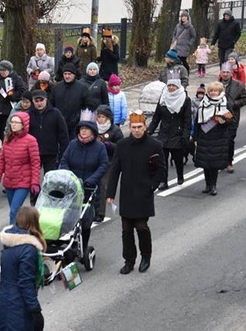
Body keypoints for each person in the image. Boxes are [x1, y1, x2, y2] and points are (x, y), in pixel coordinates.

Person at [106, 112, 166, 275]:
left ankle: (145, 256)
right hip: (127, 193)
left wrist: (151, 186)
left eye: (140, 127)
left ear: (145, 127)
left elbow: (161, 169)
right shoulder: (122, 145)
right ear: (130, 128)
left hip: (144, 193)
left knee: (141, 227)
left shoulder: (154, 145)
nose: (137, 130)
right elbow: (115, 170)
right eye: (134, 127)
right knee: (126, 229)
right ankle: (129, 260)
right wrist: (110, 193)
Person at [59, 117, 109, 253]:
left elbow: (103, 165)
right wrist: (68, 176)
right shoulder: (73, 144)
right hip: (72, 187)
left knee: (85, 218)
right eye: (82, 129)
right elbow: (64, 161)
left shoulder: (99, 147)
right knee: (68, 216)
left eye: (86, 129)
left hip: (89, 187)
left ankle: (84, 245)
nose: (84, 131)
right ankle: (68, 242)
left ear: (92, 131)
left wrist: (92, 179)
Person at [0, 112, 41, 224]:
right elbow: (2, 160)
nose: (13, 125)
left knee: (14, 211)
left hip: (23, 182)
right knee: (15, 211)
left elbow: (35, 162)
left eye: (16, 122)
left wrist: (35, 182)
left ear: (23, 125)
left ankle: (12, 236)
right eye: (12, 122)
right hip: (9, 181)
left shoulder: (31, 140)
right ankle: (23, 229)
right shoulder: (7, 139)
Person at [147, 78, 192, 189]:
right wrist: (149, 131)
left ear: (178, 87)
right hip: (164, 133)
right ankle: (163, 181)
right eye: (169, 86)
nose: (171, 88)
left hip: (177, 132)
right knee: (162, 159)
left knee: (177, 157)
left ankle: (180, 175)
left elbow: (187, 119)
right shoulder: (163, 99)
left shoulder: (185, 100)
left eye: (174, 86)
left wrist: (186, 135)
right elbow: (156, 117)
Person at [195, 81, 234, 196]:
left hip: (219, 136)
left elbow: (231, 120)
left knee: (214, 164)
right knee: (205, 163)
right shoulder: (203, 102)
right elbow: (197, 120)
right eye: (211, 91)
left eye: (215, 91)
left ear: (220, 92)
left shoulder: (225, 103)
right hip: (205, 135)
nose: (213, 93)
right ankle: (207, 185)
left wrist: (223, 121)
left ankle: (213, 185)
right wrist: (196, 136)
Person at [26, 90, 69, 176]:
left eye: (41, 100)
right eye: (36, 101)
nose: (39, 103)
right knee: (32, 178)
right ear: (33, 101)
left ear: (46, 100)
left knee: (50, 179)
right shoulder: (28, 115)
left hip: (51, 153)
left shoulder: (56, 113)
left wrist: (63, 154)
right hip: (33, 153)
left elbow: (63, 135)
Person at [219, 62, 246, 173]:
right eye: (223, 72)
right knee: (219, 139)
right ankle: (220, 161)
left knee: (229, 140)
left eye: (228, 72)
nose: (225, 74)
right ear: (220, 72)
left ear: (231, 73)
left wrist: (235, 104)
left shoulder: (238, 85)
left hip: (232, 117)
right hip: (218, 117)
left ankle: (229, 162)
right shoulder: (215, 85)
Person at [94, 105, 123, 222]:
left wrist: (107, 144)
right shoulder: (93, 128)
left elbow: (121, 147)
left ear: (108, 118)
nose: (100, 119)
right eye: (98, 117)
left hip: (109, 162)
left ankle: (100, 213)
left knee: (103, 186)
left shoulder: (115, 130)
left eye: (102, 117)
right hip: (94, 160)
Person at [49, 63, 89, 140]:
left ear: (74, 74)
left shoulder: (82, 88)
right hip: (59, 124)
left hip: (76, 125)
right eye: (65, 74)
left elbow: (87, 106)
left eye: (69, 74)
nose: (67, 76)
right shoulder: (56, 88)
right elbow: (51, 105)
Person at [0, 61, 26, 140]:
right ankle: (4, 141)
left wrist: (12, 95)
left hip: (8, 108)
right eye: (1, 70)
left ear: (9, 70)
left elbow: (22, 91)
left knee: (6, 127)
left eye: (4, 70)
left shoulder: (16, 78)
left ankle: (6, 143)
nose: (2, 72)